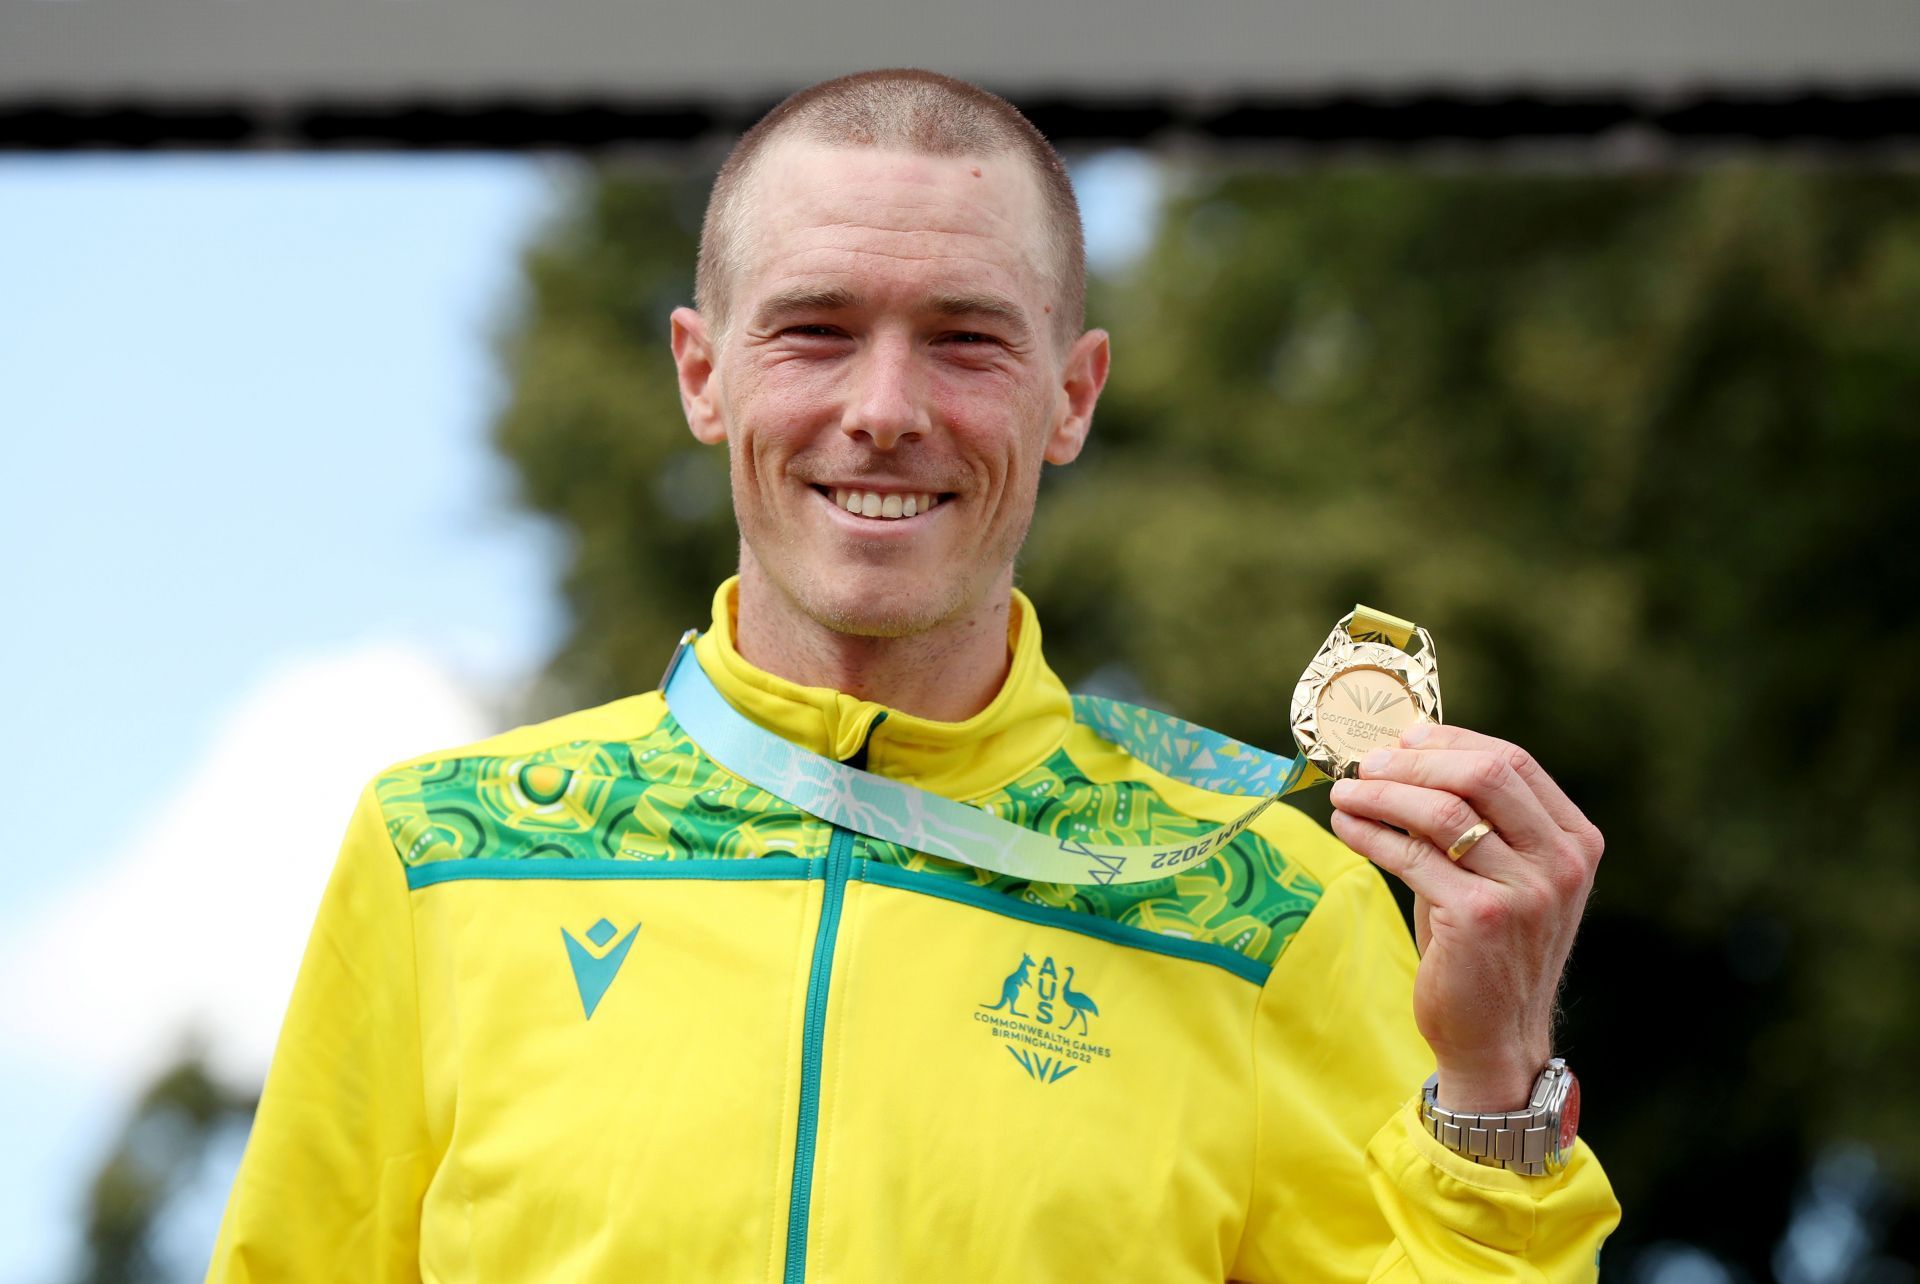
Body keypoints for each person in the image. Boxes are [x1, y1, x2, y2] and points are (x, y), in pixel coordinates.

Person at [207, 68, 1620, 1281]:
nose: (883, 413)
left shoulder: (1268, 906)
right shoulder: (447, 857)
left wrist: (1494, 1092)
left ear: (1072, 396)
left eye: (965, 340)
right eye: (816, 330)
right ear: (705, 376)